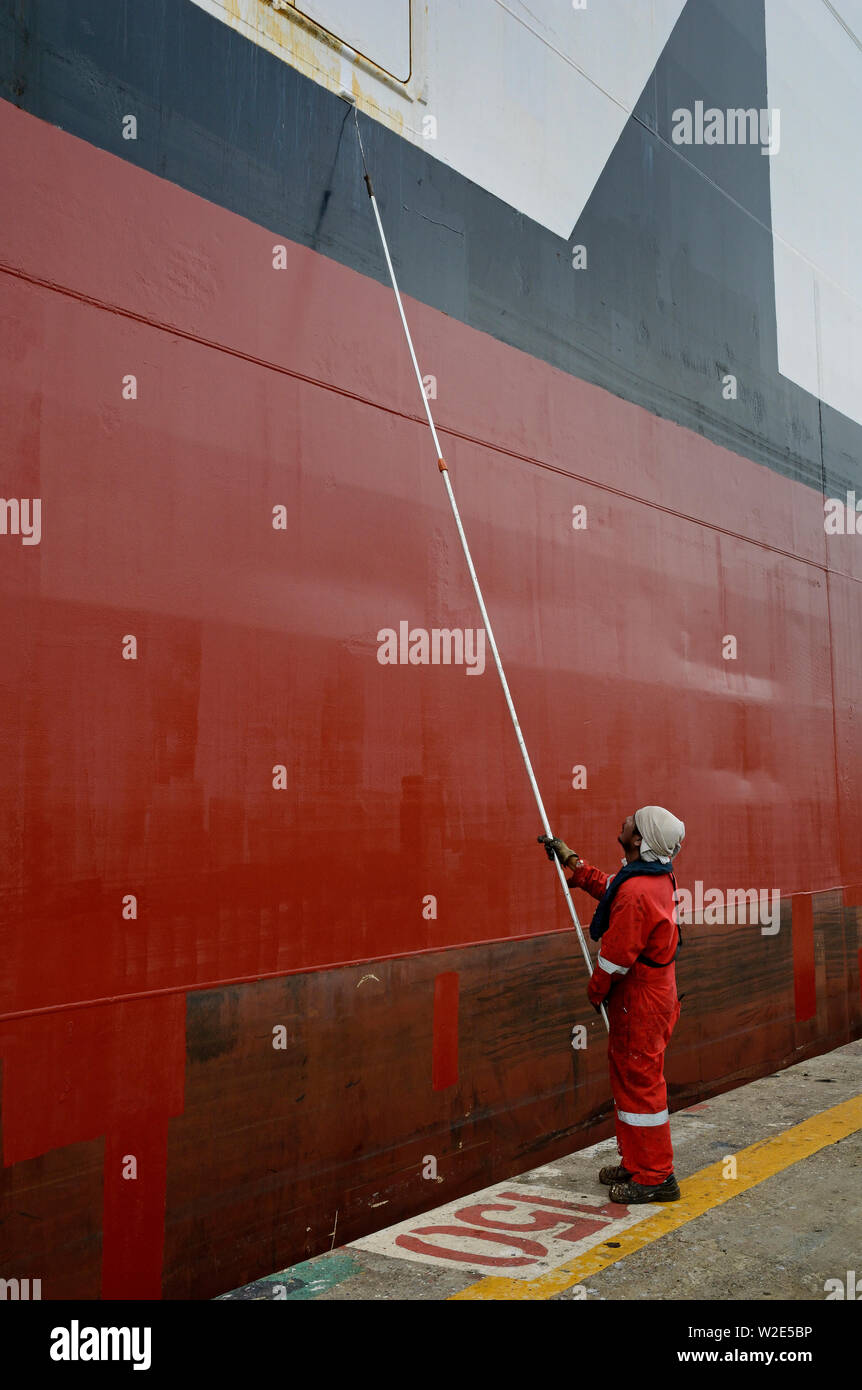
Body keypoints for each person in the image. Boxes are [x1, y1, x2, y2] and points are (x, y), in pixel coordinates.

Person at [539, 806, 685, 1204]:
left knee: (641, 1085)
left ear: (639, 840)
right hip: (651, 993)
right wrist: (574, 863)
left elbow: (615, 958)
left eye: (631, 822)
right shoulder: (652, 875)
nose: (623, 820)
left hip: (640, 999)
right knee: (629, 1079)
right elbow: (614, 888)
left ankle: (656, 1177)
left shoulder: (639, 891)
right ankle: (637, 1162)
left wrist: (595, 990)